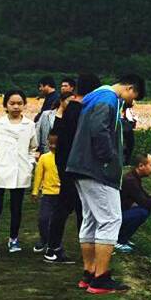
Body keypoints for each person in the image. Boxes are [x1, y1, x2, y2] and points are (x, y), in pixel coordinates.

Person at [66, 74, 146, 293]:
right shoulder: (108, 99)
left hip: (81, 167)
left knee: (91, 219)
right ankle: (101, 277)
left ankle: (89, 272)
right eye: (134, 96)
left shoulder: (94, 97)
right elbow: (99, 129)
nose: (132, 102)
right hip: (97, 170)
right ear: (130, 88)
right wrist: (109, 157)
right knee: (110, 220)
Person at [44, 73, 99, 265]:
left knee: (77, 206)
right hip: (74, 166)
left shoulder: (71, 108)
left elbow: (57, 133)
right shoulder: (81, 109)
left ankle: (74, 248)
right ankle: (53, 248)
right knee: (69, 205)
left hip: (65, 163)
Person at [0, 90, 38, 259]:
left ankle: (13, 240)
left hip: (20, 171)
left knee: (16, 209)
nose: (15, 106)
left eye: (19, 103)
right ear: (5, 105)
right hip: (0, 172)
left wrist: (30, 164)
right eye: (12, 103)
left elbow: (33, 148)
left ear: (24, 105)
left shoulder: (29, 125)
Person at [31, 132, 61, 253]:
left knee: (57, 220)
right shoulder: (44, 158)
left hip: (61, 195)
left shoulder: (65, 157)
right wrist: (35, 191)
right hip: (47, 194)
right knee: (43, 219)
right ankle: (44, 239)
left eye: (56, 143)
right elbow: (38, 175)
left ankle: (54, 242)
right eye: (50, 143)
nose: (53, 146)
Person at [121, 100, 137, 165]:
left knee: (127, 146)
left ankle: (126, 161)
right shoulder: (127, 110)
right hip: (127, 128)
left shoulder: (128, 110)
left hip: (127, 128)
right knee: (128, 145)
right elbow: (130, 119)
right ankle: (126, 162)